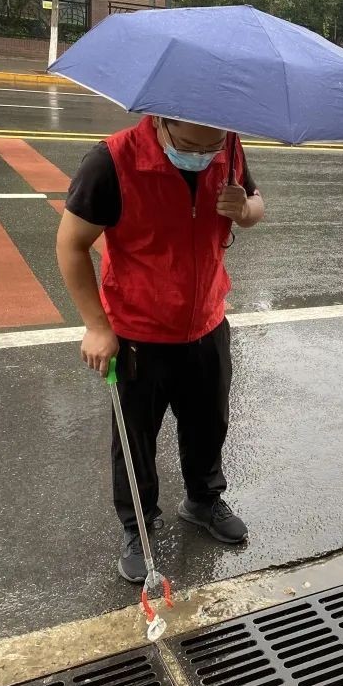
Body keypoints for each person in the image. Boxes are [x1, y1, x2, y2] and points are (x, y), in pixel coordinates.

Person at [56, 114, 264, 582]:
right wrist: (96, 325)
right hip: (137, 334)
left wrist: (243, 209)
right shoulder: (111, 161)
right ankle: (138, 526)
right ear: (163, 121)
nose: (206, 151)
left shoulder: (227, 146)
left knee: (209, 423)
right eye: (193, 141)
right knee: (135, 441)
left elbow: (255, 204)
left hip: (207, 323)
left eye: (216, 142)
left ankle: (203, 501)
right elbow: (71, 245)